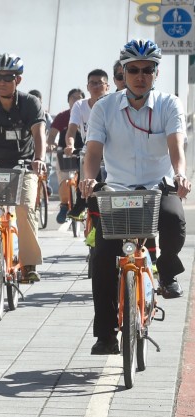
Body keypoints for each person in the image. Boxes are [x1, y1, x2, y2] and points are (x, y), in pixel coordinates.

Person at [79, 39, 190, 355]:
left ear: (156, 72)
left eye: (147, 70)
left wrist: (180, 174)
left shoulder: (169, 104)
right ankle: (104, 335)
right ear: (123, 73)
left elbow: (176, 146)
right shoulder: (104, 107)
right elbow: (94, 151)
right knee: (102, 258)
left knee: (173, 220)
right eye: (133, 70)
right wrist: (88, 178)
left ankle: (167, 271)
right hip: (119, 192)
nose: (140, 76)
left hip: (159, 186)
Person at [0, 53, 46, 282]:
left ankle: (29, 264)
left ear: (18, 80)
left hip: (23, 165)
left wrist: (39, 158)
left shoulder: (30, 103)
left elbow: (39, 134)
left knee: (24, 208)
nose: (2, 82)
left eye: (8, 77)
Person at [64, 69, 110, 219]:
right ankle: (81, 202)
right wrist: (70, 145)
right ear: (88, 87)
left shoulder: (113, 104)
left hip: (110, 151)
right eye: (92, 83)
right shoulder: (79, 105)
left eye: (100, 83)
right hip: (90, 150)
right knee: (85, 163)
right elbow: (71, 131)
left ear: (107, 87)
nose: (96, 86)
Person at [46, 88, 85, 223]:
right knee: (65, 179)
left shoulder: (88, 114)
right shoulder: (62, 116)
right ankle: (64, 205)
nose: (76, 100)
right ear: (68, 100)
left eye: (79, 98)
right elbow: (52, 135)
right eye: (73, 98)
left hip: (84, 152)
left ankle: (85, 205)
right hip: (65, 152)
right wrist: (51, 144)